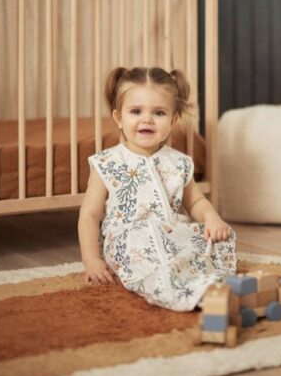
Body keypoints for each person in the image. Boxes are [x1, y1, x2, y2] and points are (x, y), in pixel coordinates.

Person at [78, 67, 237, 311]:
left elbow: (195, 202)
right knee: (147, 253)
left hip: (170, 232)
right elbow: (89, 215)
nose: (147, 119)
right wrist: (92, 260)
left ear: (173, 121)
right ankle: (184, 292)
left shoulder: (179, 162)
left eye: (159, 113)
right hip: (129, 241)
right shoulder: (107, 163)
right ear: (119, 118)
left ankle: (210, 280)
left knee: (211, 239)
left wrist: (212, 219)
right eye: (136, 111)